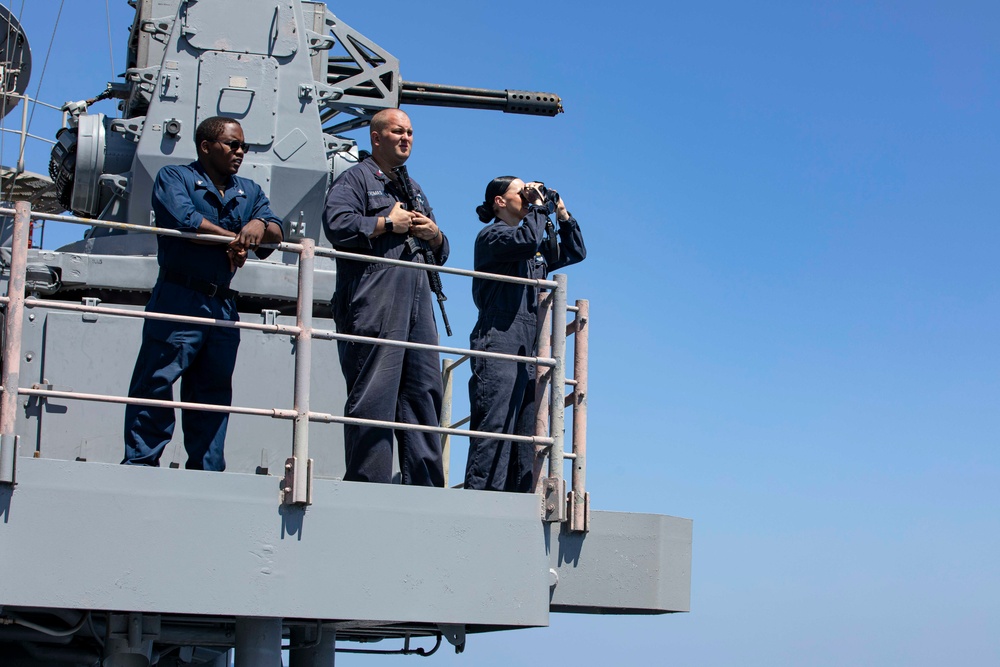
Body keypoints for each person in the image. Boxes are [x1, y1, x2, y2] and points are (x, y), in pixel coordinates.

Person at [123, 116, 283, 471]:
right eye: (232, 144)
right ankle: (140, 466)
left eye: (243, 146)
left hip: (222, 306)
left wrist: (257, 226)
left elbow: (275, 230)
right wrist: (236, 239)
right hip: (179, 296)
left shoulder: (250, 190)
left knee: (212, 395)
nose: (240, 152)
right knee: (156, 383)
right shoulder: (175, 178)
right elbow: (184, 220)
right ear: (205, 146)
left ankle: (207, 474)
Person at [322, 109, 448, 486]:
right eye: (398, 131)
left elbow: (442, 253)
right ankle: (368, 485)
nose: (406, 138)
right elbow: (336, 224)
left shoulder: (414, 189)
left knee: (425, 391)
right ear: (376, 137)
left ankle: (425, 488)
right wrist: (385, 224)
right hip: (375, 297)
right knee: (374, 393)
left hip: (417, 300)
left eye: (410, 132)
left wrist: (434, 235)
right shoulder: (356, 180)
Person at [465, 177, 586, 492]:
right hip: (500, 335)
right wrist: (538, 207)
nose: (528, 196)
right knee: (495, 425)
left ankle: (517, 502)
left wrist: (561, 213)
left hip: (531, 345)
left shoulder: (530, 240)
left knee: (527, 432)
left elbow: (574, 252)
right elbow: (527, 241)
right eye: (521, 192)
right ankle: (480, 499)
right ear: (499, 202)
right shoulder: (492, 236)